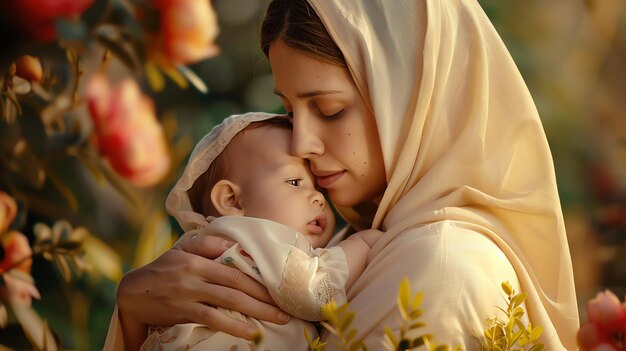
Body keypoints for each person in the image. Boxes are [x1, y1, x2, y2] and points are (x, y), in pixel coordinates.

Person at [108, 0, 581, 350]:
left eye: (330, 109)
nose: (300, 144)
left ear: (413, 99)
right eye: (289, 109)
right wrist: (136, 314)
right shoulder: (365, 238)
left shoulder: (438, 269)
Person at [113, 112, 382, 351]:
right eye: (295, 182)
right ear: (232, 200)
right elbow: (309, 290)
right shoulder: (247, 235)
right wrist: (364, 243)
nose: (318, 198)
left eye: (319, 188)